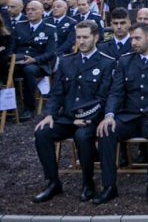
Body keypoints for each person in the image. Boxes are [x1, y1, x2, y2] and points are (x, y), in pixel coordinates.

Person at [32, 21, 115, 203]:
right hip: (68, 117)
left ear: (96, 37)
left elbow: (103, 97)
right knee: (42, 133)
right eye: (78, 37)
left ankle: (88, 183)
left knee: (83, 136)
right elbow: (56, 93)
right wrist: (49, 114)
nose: (82, 41)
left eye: (85, 37)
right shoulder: (67, 61)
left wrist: (86, 116)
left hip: (91, 118)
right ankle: (53, 182)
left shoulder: (106, 63)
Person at [94, 23, 148, 205]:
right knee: (106, 132)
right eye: (132, 39)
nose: (133, 42)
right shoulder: (125, 60)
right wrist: (109, 115)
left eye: (137, 38)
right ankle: (109, 186)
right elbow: (116, 92)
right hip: (129, 116)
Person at [12, 0, 57, 121]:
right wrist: (13, 58)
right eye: (28, 10)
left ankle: (29, 107)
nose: (30, 12)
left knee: (29, 71)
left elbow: (51, 53)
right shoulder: (19, 26)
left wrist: (35, 59)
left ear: (42, 12)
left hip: (38, 64)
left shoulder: (49, 29)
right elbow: (12, 47)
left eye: (33, 9)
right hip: (17, 62)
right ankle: (8, 105)